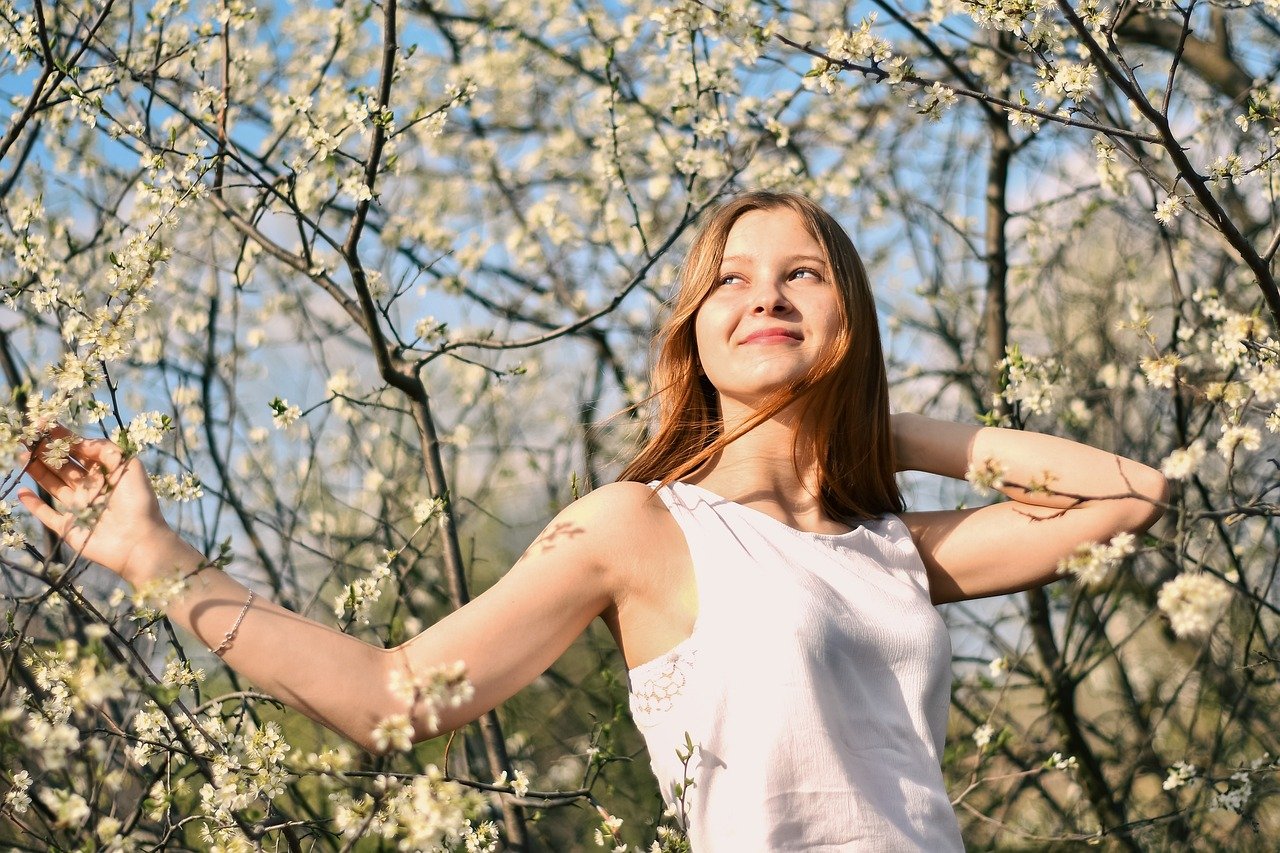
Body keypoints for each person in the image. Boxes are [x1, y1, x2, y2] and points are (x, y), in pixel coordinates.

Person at [17, 191, 1168, 850]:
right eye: (730, 277)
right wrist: (154, 557)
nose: (764, 291)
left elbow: (1127, 494)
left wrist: (868, 417)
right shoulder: (637, 528)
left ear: (848, 321)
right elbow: (390, 698)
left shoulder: (890, 550)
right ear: (692, 333)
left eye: (803, 275)